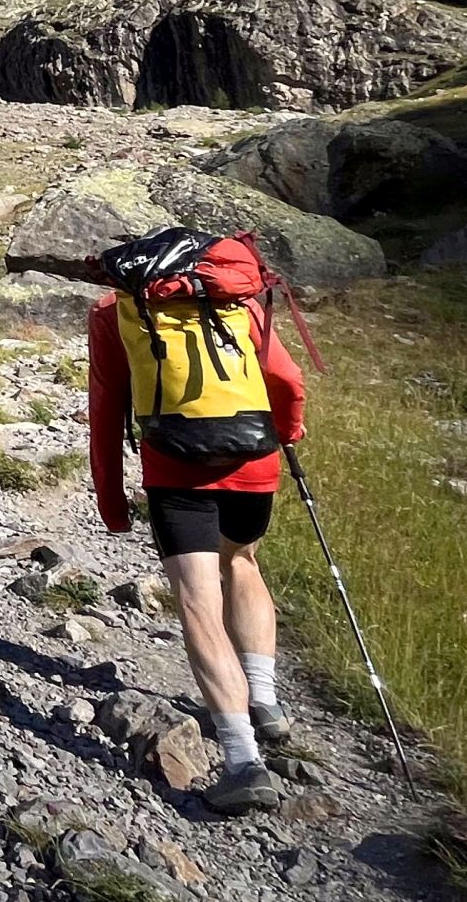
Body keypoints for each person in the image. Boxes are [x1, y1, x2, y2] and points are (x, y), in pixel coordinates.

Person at [86, 270, 307, 814]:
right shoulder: (237, 296)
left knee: (197, 601)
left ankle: (242, 763)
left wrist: (112, 502)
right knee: (243, 563)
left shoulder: (115, 309)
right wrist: (287, 431)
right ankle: (265, 700)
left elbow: (107, 407)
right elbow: (285, 376)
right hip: (253, 460)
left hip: (176, 470)